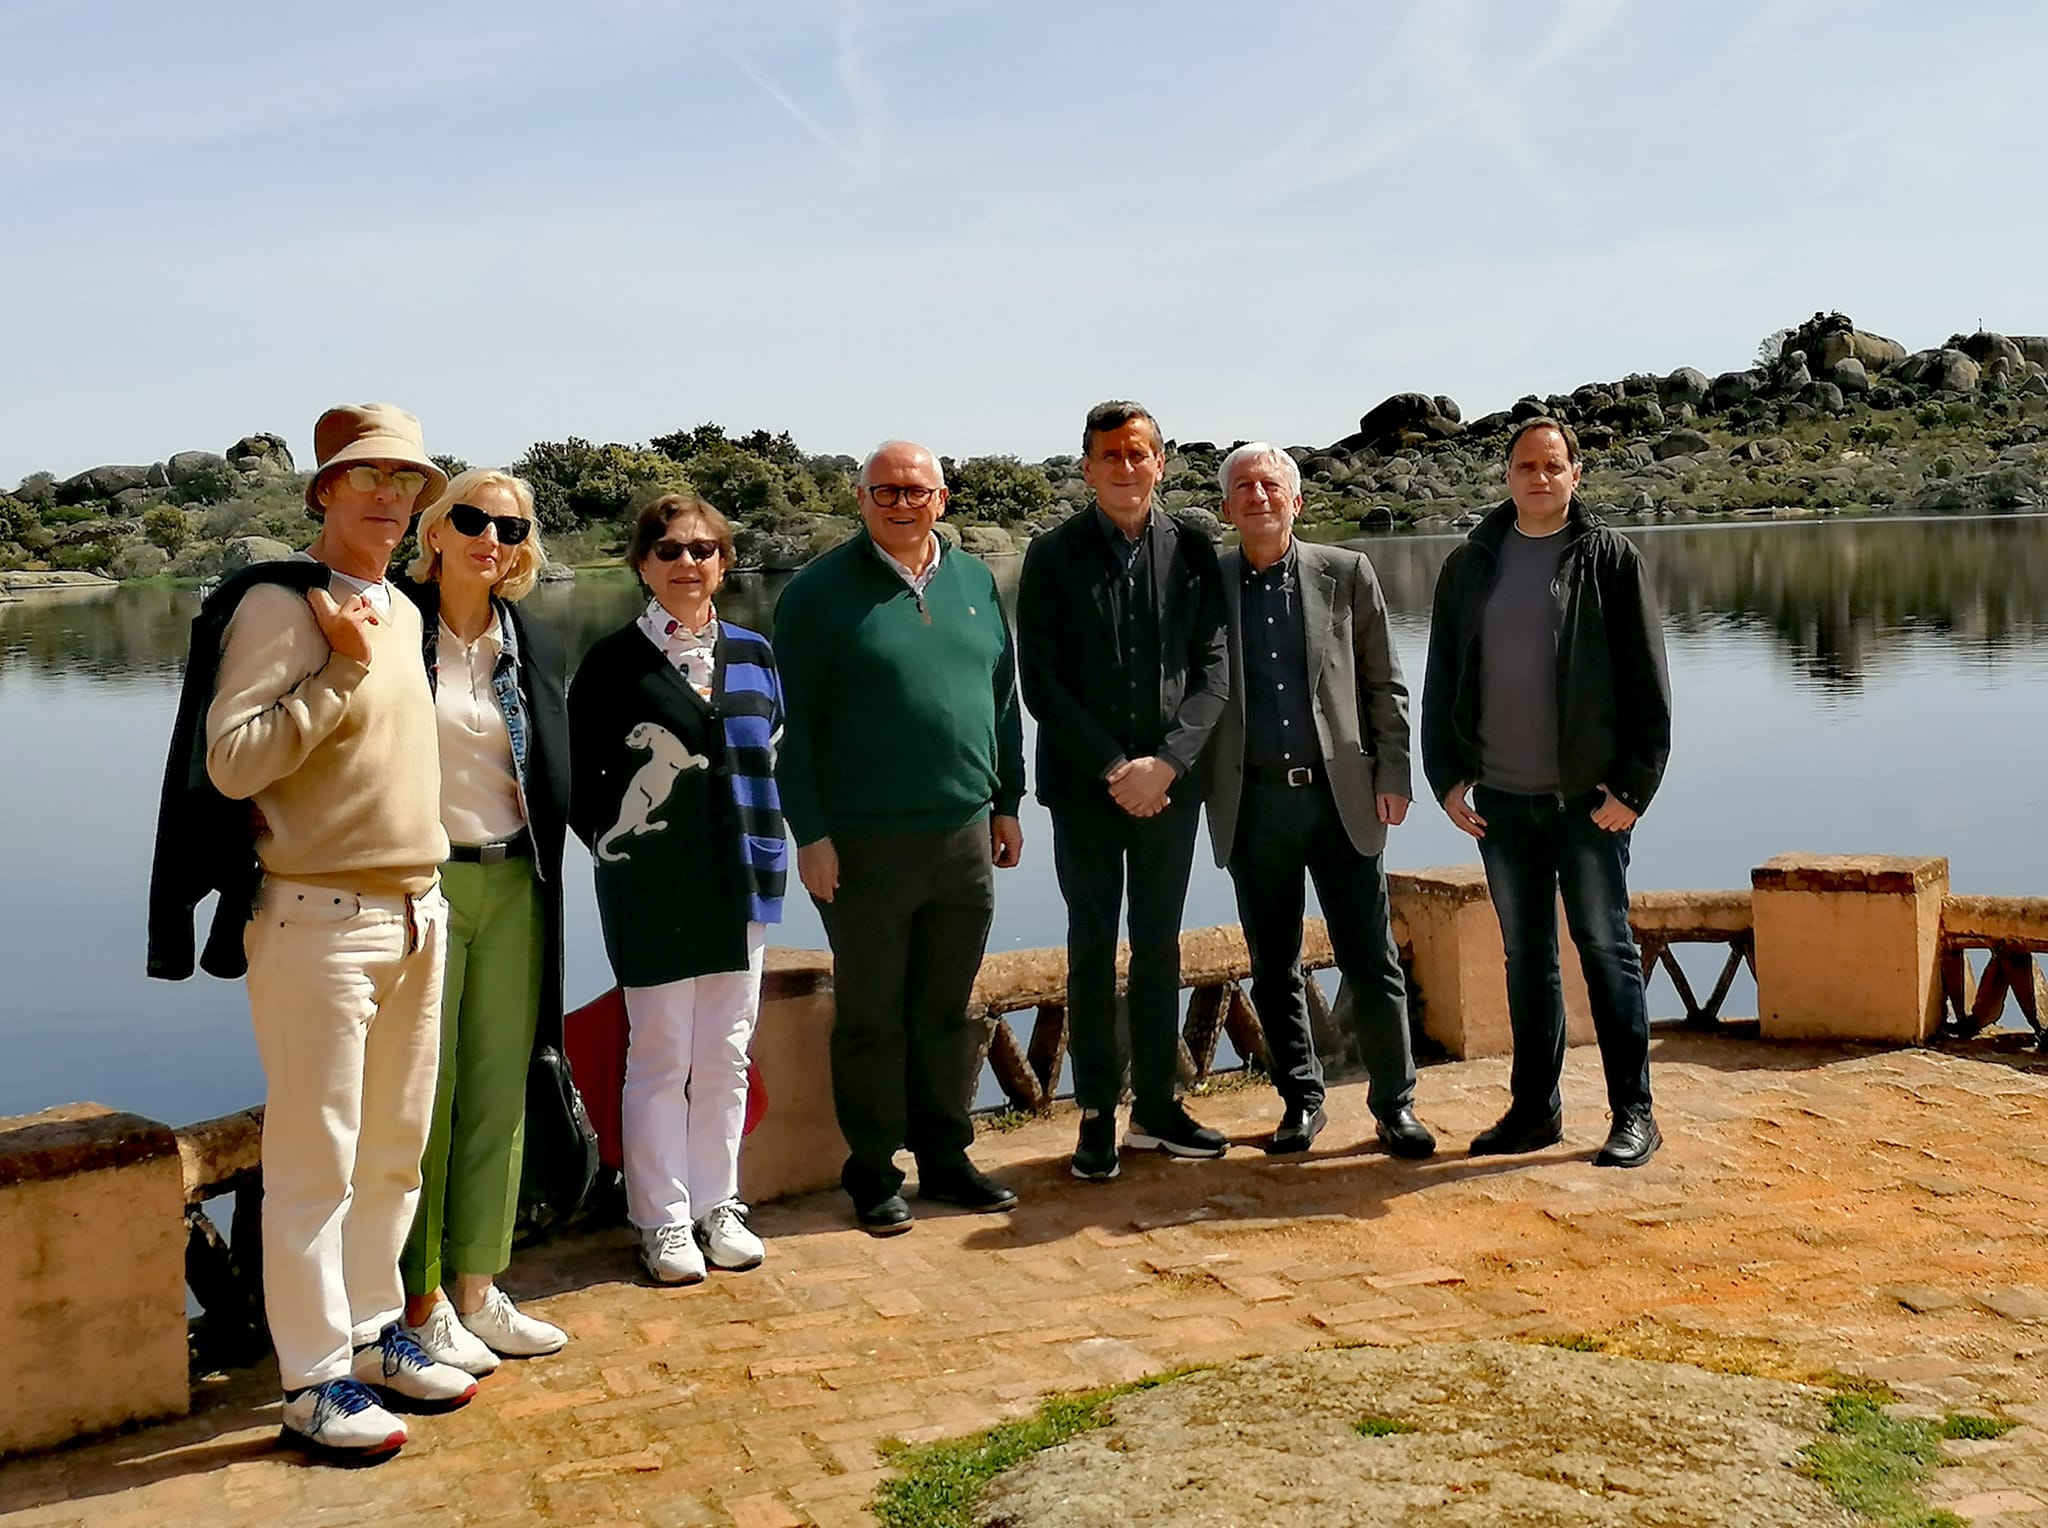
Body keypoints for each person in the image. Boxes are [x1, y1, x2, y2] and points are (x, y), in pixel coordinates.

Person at [201, 404, 476, 1458]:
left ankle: (371, 1336)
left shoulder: (400, 609)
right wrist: (340, 671)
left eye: (406, 481)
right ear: (324, 490)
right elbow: (234, 763)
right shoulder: (283, 606)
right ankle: (311, 1382)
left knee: (394, 1151)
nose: (387, 496)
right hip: (318, 918)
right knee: (315, 1162)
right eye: (366, 477)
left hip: (414, 912)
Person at [775, 441, 1026, 1235]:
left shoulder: (974, 581)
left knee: (946, 1009)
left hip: (964, 833)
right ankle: (874, 1170)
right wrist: (810, 835)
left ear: (941, 500)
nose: (901, 504)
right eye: (884, 491)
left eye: (916, 491)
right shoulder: (816, 594)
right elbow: (793, 730)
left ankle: (946, 1157)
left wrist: (1008, 801)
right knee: (871, 1015)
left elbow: (1003, 699)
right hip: (863, 842)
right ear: (861, 499)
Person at [1421, 417, 1673, 1169]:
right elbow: (1442, 679)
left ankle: (1635, 1114)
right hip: (1503, 802)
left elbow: (1649, 685)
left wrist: (1634, 788)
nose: (1539, 477)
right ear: (1507, 476)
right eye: (1526, 466)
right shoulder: (1470, 564)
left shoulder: (1610, 559)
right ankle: (1535, 1111)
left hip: (1589, 803)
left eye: (1552, 466)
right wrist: (1447, 777)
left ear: (1575, 474)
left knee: (1607, 950)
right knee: (1526, 959)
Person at [568, 494, 788, 1283]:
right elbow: (577, 780)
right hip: (651, 887)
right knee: (661, 1054)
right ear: (643, 564)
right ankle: (661, 1219)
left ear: (724, 563)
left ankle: (717, 1204)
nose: (686, 563)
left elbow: (773, 754)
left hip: (743, 879)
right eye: (669, 550)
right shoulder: (611, 663)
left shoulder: (755, 653)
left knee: (726, 1051)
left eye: (702, 549)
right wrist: (623, 849)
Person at [1016, 401, 1230, 1183]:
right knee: (1092, 945)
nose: (1126, 467)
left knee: (1159, 944)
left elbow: (1214, 671)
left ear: (1160, 463)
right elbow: (1041, 682)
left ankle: (1159, 1108)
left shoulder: (1194, 547)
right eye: (1110, 455)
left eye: (1139, 453)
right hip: (1086, 789)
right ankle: (1098, 1112)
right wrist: (1115, 768)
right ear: (1087, 467)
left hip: (1171, 789)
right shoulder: (1052, 554)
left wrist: (1166, 765)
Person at [1204, 444, 1435, 1159]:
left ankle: (1395, 1105)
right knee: (1274, 965)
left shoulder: (1347, 572)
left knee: (1371, 958)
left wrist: (1394, 774)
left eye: (1271, 485)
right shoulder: (1207, 584)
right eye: (1244, 487)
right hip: (1253, 804)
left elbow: (1384, 682)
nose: (1259, 496)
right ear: (1227, 508)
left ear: (1296, 501)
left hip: (1342, 799)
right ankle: (1301, 1101)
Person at [392, 469, 571, 1372]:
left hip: (515, 883)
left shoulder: (530, 642)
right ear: (434, 531)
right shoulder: (393, 630)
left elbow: (559, 769)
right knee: (424, 1097)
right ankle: (418, 1303)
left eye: (509, 527)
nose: (489, 539)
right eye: (470, 519)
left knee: (501, 1090)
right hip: (422, 884)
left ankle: (479, 1288)